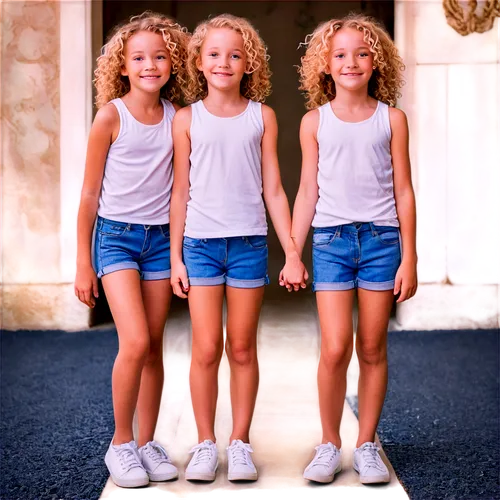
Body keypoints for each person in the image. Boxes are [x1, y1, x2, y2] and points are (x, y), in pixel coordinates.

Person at [281, 13, 418, 484]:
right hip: (332, 242)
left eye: (362, 53)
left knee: (373, 346)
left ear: (376, 61)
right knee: (336, 347)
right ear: (324, 64)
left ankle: (366, 445)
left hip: (382, 242)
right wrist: (294, 252)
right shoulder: (314, 122)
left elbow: (404, 191)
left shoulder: (392, 120)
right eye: (340, 54)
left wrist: (410, 256)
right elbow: (306, 192)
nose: (351, 61)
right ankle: (328, 444)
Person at [169, 13, 306, 483]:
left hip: (248, 244)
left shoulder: (260, 116)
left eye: (234, 54)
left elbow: (274, 189)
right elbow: (180, 193)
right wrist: (174, 256)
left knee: (243, 347)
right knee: (206, 347)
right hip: (200, 246)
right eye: (214, 54)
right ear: (199, 63)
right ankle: (205, 443)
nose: (223, 62)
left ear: (249, 64)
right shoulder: (187, 119)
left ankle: (240, 442)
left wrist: (290, 249)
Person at [74, 11, 189, 488]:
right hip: (116, 238)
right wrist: (83, 262)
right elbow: (87, 195)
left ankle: (147, 443)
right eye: (139, 57)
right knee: (135, 342)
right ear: (122, 66)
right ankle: (120, 444)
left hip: (160, 241)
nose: (150, 65)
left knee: (155, 347)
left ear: (173, 64)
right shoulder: (111, 117)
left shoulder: (176, 118)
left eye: (160, 57)